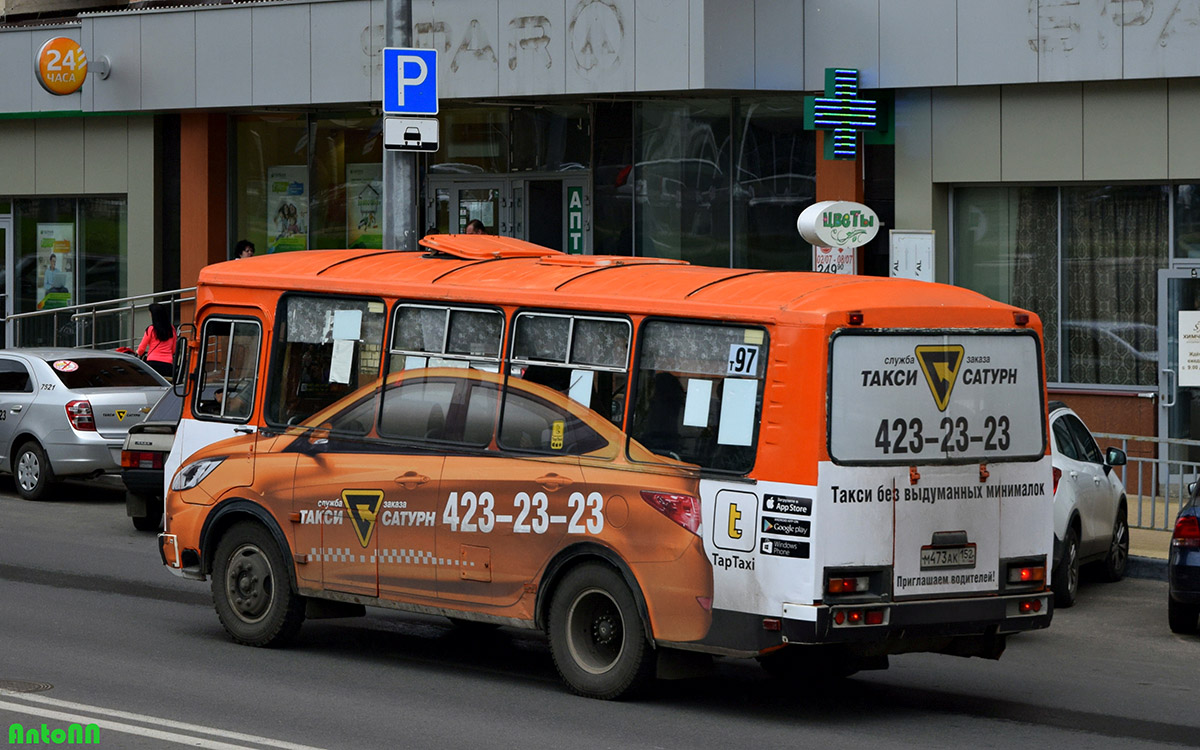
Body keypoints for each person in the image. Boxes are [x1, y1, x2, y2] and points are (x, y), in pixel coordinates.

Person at [137, 302, 177, 379]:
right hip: (167, 365)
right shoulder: (172, 330)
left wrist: (137, 352)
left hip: (152, 364)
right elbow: (174, 349)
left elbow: (141, 349)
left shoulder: (151, 329)